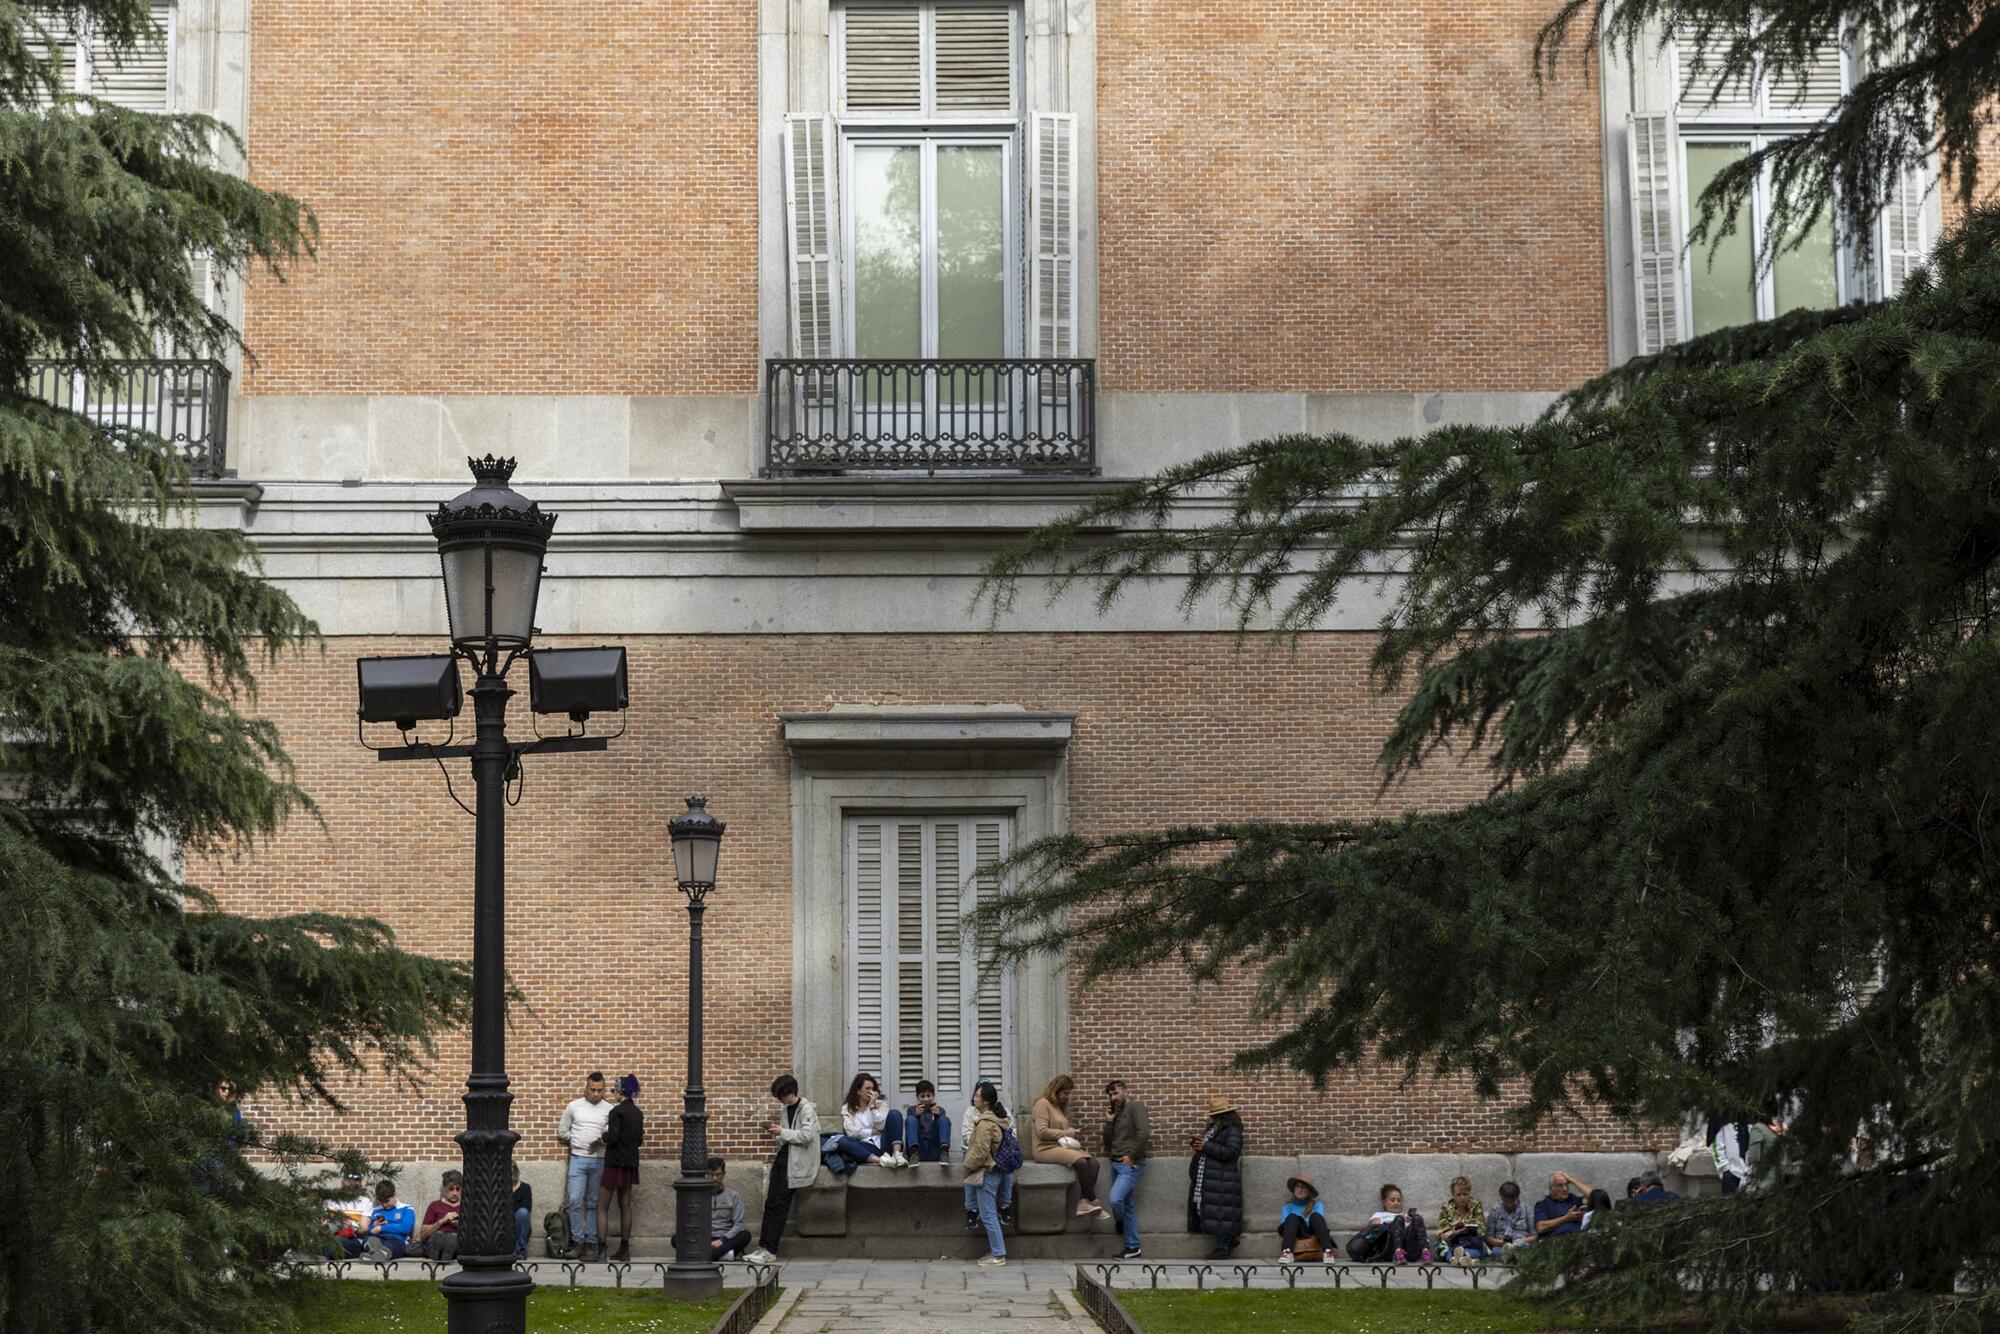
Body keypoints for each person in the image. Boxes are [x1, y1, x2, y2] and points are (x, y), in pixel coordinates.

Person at [742, 1074, 820, 1265]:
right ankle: (763, 1247)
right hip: (783, 1158)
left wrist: (782, 1132)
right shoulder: (786, 1109)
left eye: (780, 1095)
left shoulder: (806, 1109)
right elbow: (787, 1135)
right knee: (770, 1203)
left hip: (795, 1163)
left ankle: (770, 1250)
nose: (778, 1099)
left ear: (788, 1092)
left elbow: (807, 1136)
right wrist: (778, 1132)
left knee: (779, 1206)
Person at [1030, 1074, 1105, 1221]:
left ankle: (1083, 1201)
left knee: (1094, 1163)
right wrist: (1067, 1132)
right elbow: (1042, 1131)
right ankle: (1094, 1200)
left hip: (1059, 1147)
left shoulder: (1059, 1107)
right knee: (1082, 1163)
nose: (1067, 1096)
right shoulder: (1042, 1104)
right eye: (1066, 1093)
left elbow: (1061, 1130)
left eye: (1069, 1093)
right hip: (1044, 1148)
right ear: (1056, 1090)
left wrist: (1072, 1132)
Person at [556, 1072, 613, 1260]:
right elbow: (562, 1131)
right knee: (574, 1200)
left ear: (604, 1089)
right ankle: (577, 1241)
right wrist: (576, 1139)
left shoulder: (609, 1109)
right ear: (586, 1088)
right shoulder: (574, 1106)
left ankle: (590, 1243)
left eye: (599, 1090)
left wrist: (602, 1141)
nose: (596, 1094)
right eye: (592, 1090)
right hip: (578, 1158)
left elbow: (611, 1134)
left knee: (593, 1203)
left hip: (600, 1159)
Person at [961, 1080, 1013, 1267]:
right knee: (989, 1213)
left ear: (985, 1101)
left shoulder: (985, 1123)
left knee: (988, 1214)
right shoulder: (997, 1120)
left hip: (986, 1173)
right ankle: (995, 1251)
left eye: (977, 1096)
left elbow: (979, 1152)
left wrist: (966, 1166)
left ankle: (998, 1254)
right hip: (995, 1171)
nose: (974, 1098)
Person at [1186, 1095, 1244, 1258]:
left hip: (1222, 1179)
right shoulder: (1214, 1129)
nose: (1212, 1118)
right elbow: (1211, 1148)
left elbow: (1231, 1152)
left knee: (1221, 1213)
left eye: (1215, 1115)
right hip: (1211, 1177)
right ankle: (1224, 1243)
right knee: (1214, 1211)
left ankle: (1223, 1247)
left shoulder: (1232, 1130)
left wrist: (1206, 1145)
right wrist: (1200, 1146)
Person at [1102, 1079, 1151, 1260]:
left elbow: (1144, 1133)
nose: (1113, 1097)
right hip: (1116, 1164)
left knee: (1115, 1200)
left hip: (1130, 1165)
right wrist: (1109, 1122)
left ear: (1126, 1091)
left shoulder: (1136, 1107)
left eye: (1116, 1093)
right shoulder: (1118, 1114)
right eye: (1111, 1095)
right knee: (1127, 1205)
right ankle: (1133, 1248)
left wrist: (1131, 1155)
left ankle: (1120, 1222)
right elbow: (1108, 1143)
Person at [602, 1074, 645, 1261]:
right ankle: (624, 1249)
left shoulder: (616, 1112)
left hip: (614, 1162)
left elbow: (612, 1138)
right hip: (630, 1163)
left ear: (620, 1092)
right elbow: (639, 1140)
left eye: (614, 1090)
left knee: (601, 1206)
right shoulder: (638, 1113)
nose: (614, 1094)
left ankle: (600, 1250)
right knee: (625, 1204)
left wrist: (602, 1136)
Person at [825, 1072, 904, 1173]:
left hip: (883, 1144)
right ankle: (880, 1160)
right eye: (867, 1089)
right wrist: (872, 1132)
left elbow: (881, 1126)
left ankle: (897, 1155)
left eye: (872, 1089)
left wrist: (872, 1107)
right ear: (858, 1091)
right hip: (865, 1147)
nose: (871, 1092)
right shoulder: (847, 1108)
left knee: (895, 1113)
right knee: (842, 1140)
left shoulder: (881, 1104)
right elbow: (851, 1133)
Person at [1348, 1183, 1429, 1262]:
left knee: (1417, 1217)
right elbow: (1375, 1229)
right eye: (1392, 1200)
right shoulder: (1379, 1215)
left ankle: (1425, 1252)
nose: (1396, 1203)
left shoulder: (1404, 1216)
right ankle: (1398, 1253)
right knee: (1398, 1219)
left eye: (1399, 1200)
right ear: (1384, 1201)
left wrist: (1410, 1222)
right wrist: (1395, 1222)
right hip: (1390, 1251)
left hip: (1410, 1251)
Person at [1276, 1174, 1336, 1265]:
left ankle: (1328, 1251)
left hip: (1313, 1231)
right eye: (1297, 1187)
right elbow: (1285, 1227)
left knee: (1315, 1216)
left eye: (1303, 1188)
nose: (1299, 1190)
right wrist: (1298, 1219)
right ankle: (1287, 1252)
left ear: (1309, 1192)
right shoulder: (1287, 1207)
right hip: (1296, 1232)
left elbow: (1319, 1224)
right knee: (1292, 1217)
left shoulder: (1317, 1205)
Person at [1436, 1175, 1491, 1264]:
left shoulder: (1476, 1205)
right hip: (1453, 1242)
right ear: (1453, 1195)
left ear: (1469, 1193)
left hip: (1471, 1241)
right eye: (1458, 1194)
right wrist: (1454, 1232)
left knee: (1480, 1247)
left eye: (1465, 1194)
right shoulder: (1446, 1208)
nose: (1462, 1197)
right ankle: (1460, 1258)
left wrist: (1468, 1230)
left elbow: (1482, 1230)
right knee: (1443, 1248)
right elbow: (1442, 1235)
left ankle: (1462, 1257)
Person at [417, 1170, 464, 1262]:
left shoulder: (466, 1206)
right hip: (436, 1238)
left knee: (453, 1239)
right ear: (444, 1188)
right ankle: (437, 1251)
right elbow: (422, 1235)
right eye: (451, 1189)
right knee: (439, 1236)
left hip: (456, 1240)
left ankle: (445, 1253)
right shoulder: (434, 1205)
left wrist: (459, 1226)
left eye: (457, 1189)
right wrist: (442, 1220)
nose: (455, 1193)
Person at [363, 1180, 415, 1261]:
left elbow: (406, 1228)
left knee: (390, 1244)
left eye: (387, 1201)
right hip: (378, 1239)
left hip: (397, 1241)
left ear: (394, 1195)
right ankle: (376, 1253)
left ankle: (375, 1255)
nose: (384, 1205)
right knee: (368, 1238)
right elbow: (370, 1230)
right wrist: (374, 1226)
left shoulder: (406, 1208)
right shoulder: (376, 1210)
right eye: (381, 1202)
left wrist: (382, 1228)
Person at [1533, 1171, 1594, 1239]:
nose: (1565, 1189)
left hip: (1581, 1239)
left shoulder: (1575, 1200)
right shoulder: (1544, 1205)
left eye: (1566, 1185)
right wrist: (1566, 1218)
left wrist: (1572, 1181)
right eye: (1560, 1185)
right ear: (1551, 1188)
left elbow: (1595, 1197)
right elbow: (1541, 1228)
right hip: (1557, 1242)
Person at [904, 1080, 953, 1163]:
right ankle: (913, 1154)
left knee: (944, 1119)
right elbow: (911, 1131)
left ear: (933, 1096)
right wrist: (916, 1116)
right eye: (922, 1096)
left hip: (934, 1149)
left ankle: (944, 1153)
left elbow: (942, 1129)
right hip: (918, 1150)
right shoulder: (912, 1110)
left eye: (928, 1096)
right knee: (911, 1119)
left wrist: (938, 1116)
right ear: (917, 1097)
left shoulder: (940, 1110)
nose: (926, 1099)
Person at [327, 1168, 371, 1259]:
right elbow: (324, 1224)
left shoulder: (364, 1202)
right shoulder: (331, 1201)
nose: (352, 1187)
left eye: (355, 1184)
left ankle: (315, 1255)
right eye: (349, 1183)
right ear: (342, 1182)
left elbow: (364, 1228)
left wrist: (352, 1229)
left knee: (338, 1241)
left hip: (353, 1240)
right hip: (333, 1235)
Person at [1485, 1180, 1534, 1254]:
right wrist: (1499, 1242)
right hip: (1501, 1246)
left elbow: (1534, 1236)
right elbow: (1489, 1237)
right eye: (1506, 1202)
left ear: (1517, 1198)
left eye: (1512, 1202)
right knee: (1496, 1251)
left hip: (1521, 1245)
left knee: (1525, 1249)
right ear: (1501, 1198)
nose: (1509, 1205)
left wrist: (1520, 1242)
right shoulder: (1495, 1211)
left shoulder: (1527, 1210)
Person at [1708, 1113, 1752, 1195]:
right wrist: (1725, 1169)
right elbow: (1716, 1144)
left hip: (1754, 1172)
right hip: (1732, 1173)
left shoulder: (1756, 1114)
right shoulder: (1721, 1116)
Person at [511, 1162, 533, 1260]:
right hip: (504, 1225)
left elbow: (527, 1209)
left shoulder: (525, 1188)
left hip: (519, 1224)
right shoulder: (500, 1188)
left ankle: (520, 1249)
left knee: (522, 1213)